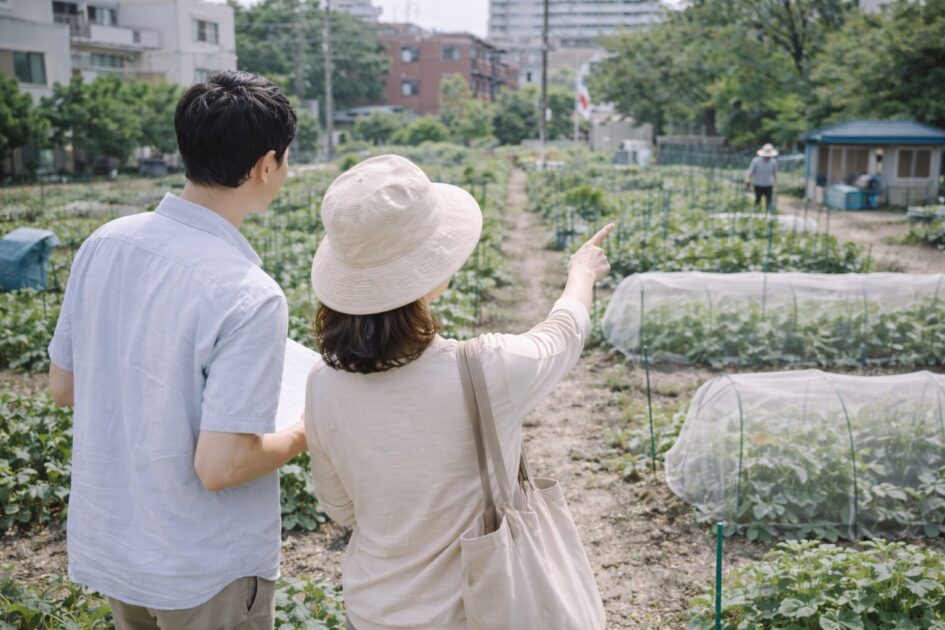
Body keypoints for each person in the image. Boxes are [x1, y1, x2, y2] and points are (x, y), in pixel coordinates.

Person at [304, 155, 613, 630]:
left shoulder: (322, 384)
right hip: (476, 610)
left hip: (373, 612)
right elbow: (562, 336)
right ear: (429, 272)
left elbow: (340, 508)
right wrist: (581, 274)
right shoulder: (486, 368)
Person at [47, 71, 305, 629]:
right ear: (266, 165)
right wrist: (307, 428)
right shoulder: (249, 294)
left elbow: (63, 387)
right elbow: (221, 466)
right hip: (203, 564)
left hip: (119, 545)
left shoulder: (105, 242)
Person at [745, 143, 779, 210]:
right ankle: (757, 214)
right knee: (757, 200)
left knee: (769, 201)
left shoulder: (773, 162)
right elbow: (750, 173)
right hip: (758, 184)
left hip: (769, 185)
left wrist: (776, 184)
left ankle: (768, 215)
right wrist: (748, 181)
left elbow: (775, 174)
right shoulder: (756, 161)